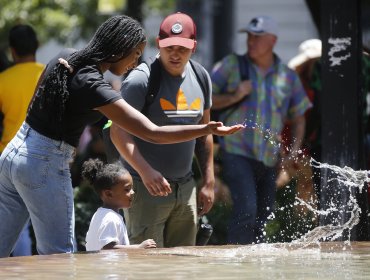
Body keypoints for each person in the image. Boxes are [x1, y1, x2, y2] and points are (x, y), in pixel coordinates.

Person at [0, 15, 243, 258]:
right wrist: (206, 128)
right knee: (58, 257)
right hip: (43, 164)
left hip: (14, 153)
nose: (135, 62)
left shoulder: (67, 57)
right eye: (135, 54)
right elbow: (153, 133)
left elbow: (45, 99)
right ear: (120, 50)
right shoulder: (94, 85)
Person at [110, 12, 215, 247]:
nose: (175, 53)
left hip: (185, 189)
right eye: (169, 47)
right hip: (145, 189)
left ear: (194, 47)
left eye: (182, 48)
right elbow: (118, 132)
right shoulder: (140, 80)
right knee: (146, 267)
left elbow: (204, 132)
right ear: (158, 44)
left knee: (183, 265)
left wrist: (208, 181)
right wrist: (145, 171)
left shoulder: (201, 77)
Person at [211, 15, 312, 244]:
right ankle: (238, 263)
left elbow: (299, 118)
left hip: (269, 157)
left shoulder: (287, 75)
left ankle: (256, 268)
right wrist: (234, 96)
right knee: (247, 208)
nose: (250, 41)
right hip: (236, 151)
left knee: (264, 214)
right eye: (249, 36)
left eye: (257, 37)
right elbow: (204, 101)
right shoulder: (231, 65)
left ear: (272, 40)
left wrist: (293, 151)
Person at [0, 24, 45, 257]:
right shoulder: (49, 75)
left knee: (17, 224)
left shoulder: (2, 81)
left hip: (7, 158)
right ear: (37, 46)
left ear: (12, 51)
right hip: (46, 156)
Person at [82, 158, 156, 251]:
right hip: (106, 265)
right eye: (127, 189)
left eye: (131, 188)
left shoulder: (101, 214)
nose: (132, 192)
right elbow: (108, 248)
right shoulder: (110, 218)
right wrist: (138, 247)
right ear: (108, 194)